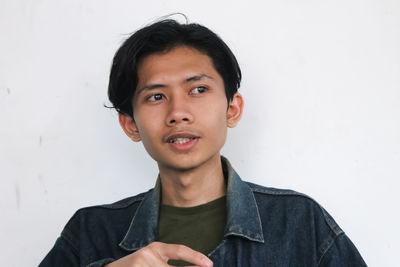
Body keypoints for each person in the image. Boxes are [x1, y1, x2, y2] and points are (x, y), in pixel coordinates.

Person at [39, 18, 367, 267]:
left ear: (232, 108)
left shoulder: (298, 223)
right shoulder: (90, 232)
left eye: (198, 90)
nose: (178, 112)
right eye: (156, 96)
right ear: (130, 124)